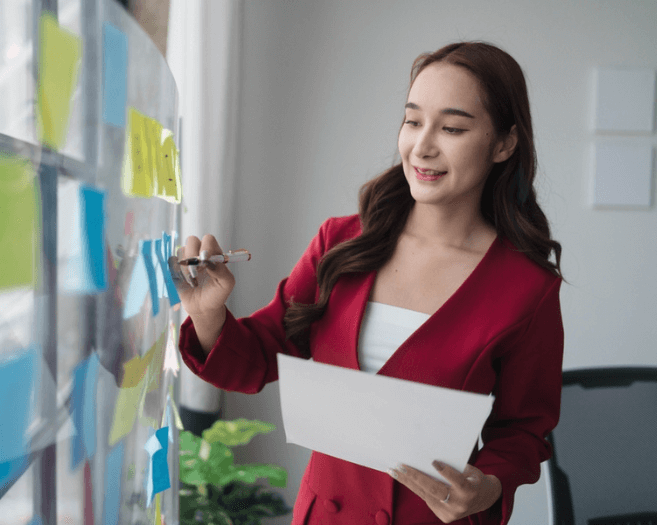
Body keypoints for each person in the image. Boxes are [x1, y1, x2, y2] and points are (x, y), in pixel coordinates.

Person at [173, 41, 564, 525]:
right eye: (413, 120)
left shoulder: (527, 287)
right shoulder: (341, 241)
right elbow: (259, 355)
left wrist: (488, 485)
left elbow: (524, 429)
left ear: (504, 144)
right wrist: (209, 315)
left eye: (453, 128)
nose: (422, 146)